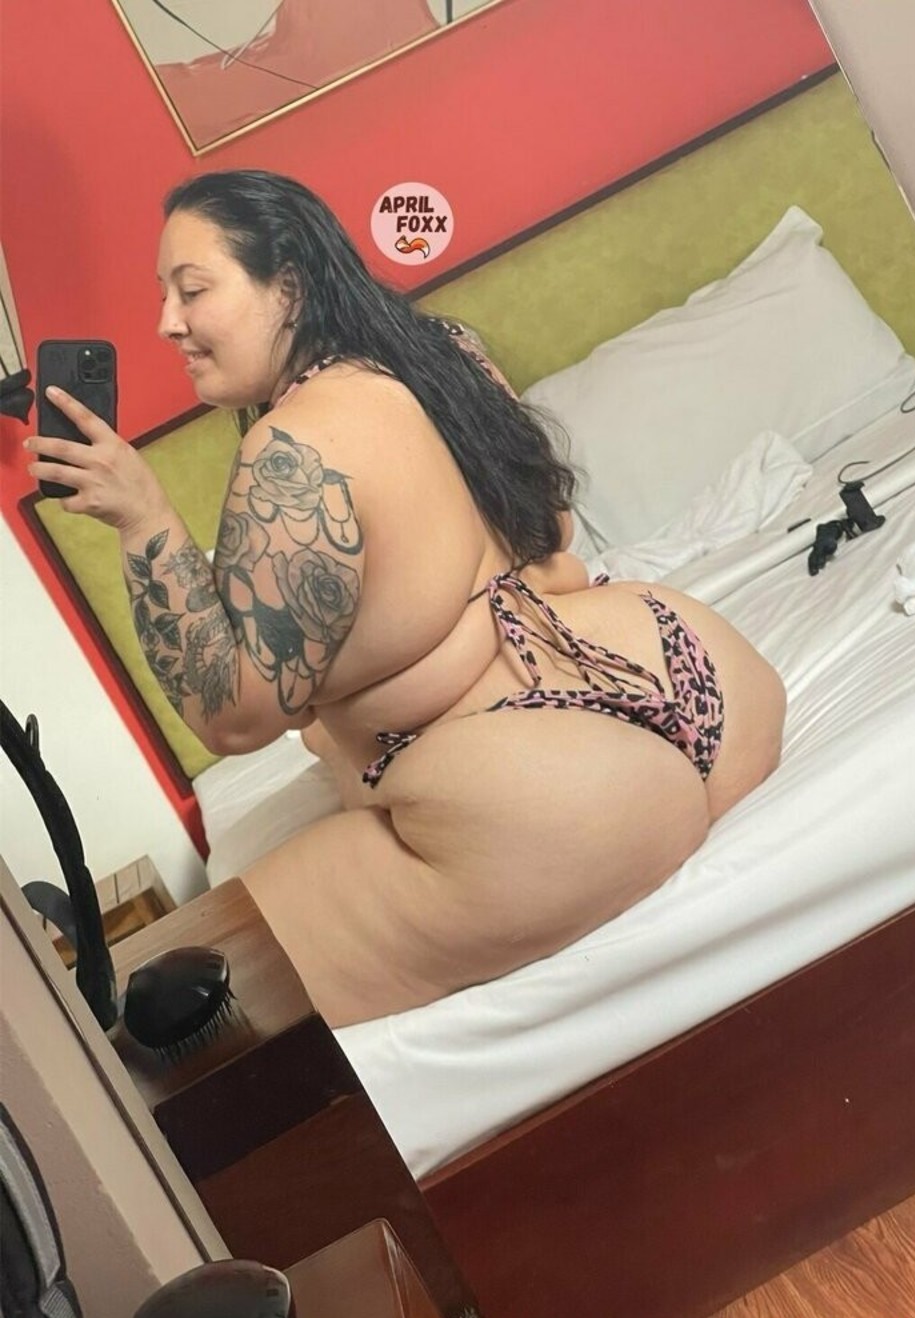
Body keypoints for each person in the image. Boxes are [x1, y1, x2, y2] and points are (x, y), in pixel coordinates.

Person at [26, 171, 786, 1027]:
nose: (167, 321)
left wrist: (143, 518)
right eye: (164, 293)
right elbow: (551, 523)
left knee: (170, 1012)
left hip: (552, 807)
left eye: (192, 289)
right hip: (692, 674)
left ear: (289, 286)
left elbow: (235, 719)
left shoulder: (293, 450)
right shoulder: (444, 349)